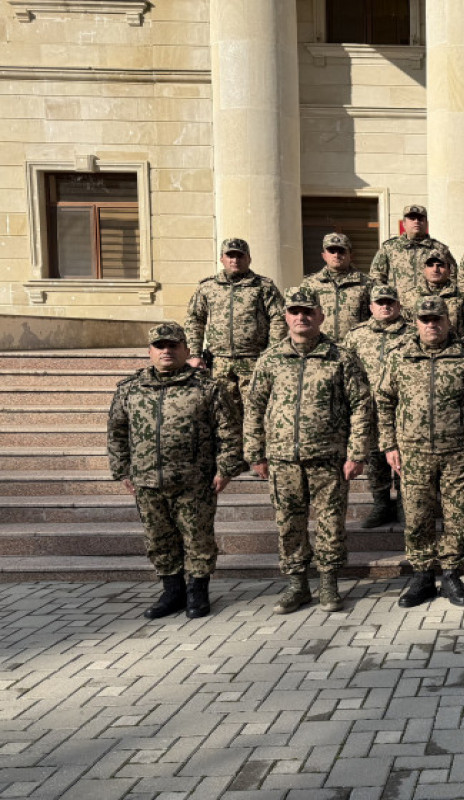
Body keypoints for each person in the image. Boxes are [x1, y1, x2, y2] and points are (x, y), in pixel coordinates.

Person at [243, 287, 373, 615]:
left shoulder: (341, 356)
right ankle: (297, 585)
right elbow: (254, 406)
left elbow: (361, 404)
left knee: (330, 522)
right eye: (295, 311)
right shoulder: (270, 358)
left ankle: (329, 583)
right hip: (282, 458)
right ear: (286, 316)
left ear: (320, 316)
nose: (301, 317)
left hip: (328, 457)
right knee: (289, 522)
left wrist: (357, 453)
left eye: (308, 311)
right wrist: (255, 453)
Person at [107, 322, 245, 620]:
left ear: (186, 350)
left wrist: (226, 468)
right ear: (150, 352)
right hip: (147, 480)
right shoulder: (130, 389)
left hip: (195, 480)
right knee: (159, 539)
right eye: (160, 346)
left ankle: (198, 591)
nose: (166, 351)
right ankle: (172, 591)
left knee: (198, 538)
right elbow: (117, 432)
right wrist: (122, 471)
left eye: (173, 345)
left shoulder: (208, 387)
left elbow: (230, 431)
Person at [376, 296, 464, 609]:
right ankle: (421, 575)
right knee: (417, 517)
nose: (431, 325)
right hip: (413, 453)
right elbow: (383, 401)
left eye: (437, 319)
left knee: (457, 517)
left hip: (459, 452)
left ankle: (450, 573)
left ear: (448, 321)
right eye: (425, 320)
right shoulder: (399, 356)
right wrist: (389, 444)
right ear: (416, 322)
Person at [184, 237, 286, 409]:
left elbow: (279, 318)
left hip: (254, 360)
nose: (235, 260)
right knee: (223, 411)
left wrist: (272, 352)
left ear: (249, 259)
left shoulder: (263, 286)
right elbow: (195, 319)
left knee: (256, 409)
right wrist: (194, 354)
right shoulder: (208, 287)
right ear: (222, 259)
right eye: (230, 256)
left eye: (240, 256)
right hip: (219, 362)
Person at [342, 284, 411, 530]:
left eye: (390, 302)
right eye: (380, 303)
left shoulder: (412, 333)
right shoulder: (356, 335)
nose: (385, 306)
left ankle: (405, 504)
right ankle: (381, 503)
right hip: (369, 408)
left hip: (403, 408)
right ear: (370, 307)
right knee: (375, 458)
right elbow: (346, 371)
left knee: (403, 457)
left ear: (398, 305)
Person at [369, 204, 458, 298]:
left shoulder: (439, 249)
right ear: (404, 223)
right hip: (399, 307)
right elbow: (376, 277)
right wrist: (388, 299)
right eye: (412, 218)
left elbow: (453, 276)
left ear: (426, 223)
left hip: (430, 308)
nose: (416, 221)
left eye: (420, 219)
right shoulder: (389, 248)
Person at [299, 232, 372, 343]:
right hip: (321, 348)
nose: (336, 255)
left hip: (356, 347)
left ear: (351, 255)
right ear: (323, 255)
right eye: (332, 251)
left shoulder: (366, 283)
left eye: (341, 251)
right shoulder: (310, 284)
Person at [401, 252, 464, 335]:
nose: (435, 269)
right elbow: (402, 328)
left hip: (454, 346)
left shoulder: (463, 296)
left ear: (449, 270)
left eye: (440, 265)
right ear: (424, 270)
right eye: (430, 265)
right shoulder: (409, 296)